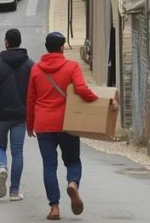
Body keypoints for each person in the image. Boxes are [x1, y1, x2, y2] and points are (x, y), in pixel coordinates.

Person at [27, 31, 116, 220]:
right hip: (67, 122)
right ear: (61, 48)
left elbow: (30, 99)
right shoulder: (71, 66)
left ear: (46, 47)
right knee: (73, 160)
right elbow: (82, 90)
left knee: (49, 166)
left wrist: (29, 125)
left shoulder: (36, 69)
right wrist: (99, 99)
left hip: (43, 124)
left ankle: (54, 207)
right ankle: (73, 183)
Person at [0, 28, 34, 201]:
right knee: (18, 152)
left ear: (6, 42)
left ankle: (2, 167)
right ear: (19, 42)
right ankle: (14, 191)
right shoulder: (29, 64)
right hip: (20, 115)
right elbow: (34, 91)